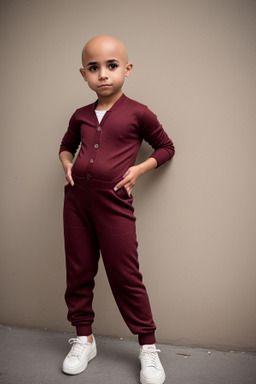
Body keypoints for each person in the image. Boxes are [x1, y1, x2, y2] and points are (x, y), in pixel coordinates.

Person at [59, 35, 175, 384]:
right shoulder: (80, 115)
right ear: (84, 74)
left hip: (114, 204)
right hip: (76, 203)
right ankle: (84, 339)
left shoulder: (139, 112)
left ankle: (148, 347)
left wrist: (139, 169)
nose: (103, 75)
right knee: (78, 270)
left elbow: (167, 147)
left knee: (125, 275)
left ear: (127, 69)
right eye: (94, 68)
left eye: (111, 66)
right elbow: (66, 147)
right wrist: (66, 163)